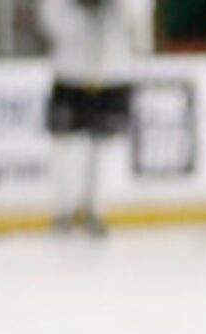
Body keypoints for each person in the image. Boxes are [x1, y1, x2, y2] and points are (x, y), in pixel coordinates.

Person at [39, 0, 151, 237]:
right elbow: (50, 21)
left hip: (113, 70)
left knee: (105, 144)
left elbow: (138, 15)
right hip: (70, 70)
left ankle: (95, 209)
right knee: (63, 143)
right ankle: (63, 209)